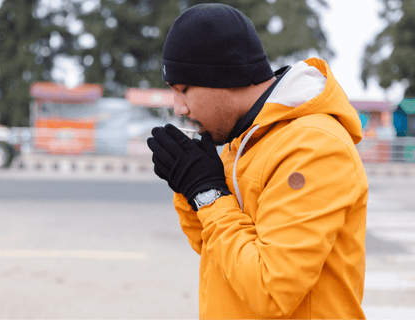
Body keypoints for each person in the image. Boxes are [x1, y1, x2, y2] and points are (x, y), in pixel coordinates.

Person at [147, 3, 367, 319]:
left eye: (183, 89)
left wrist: (206, 192)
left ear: (226, 76)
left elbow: (271, 291)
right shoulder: (245, 138)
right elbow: (213, 249)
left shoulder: (314, 146)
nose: (178, 107)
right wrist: (187, 186)